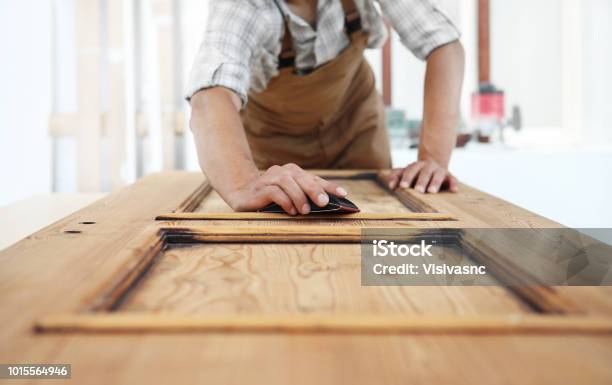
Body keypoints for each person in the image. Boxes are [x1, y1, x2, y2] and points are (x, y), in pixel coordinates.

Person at [186, 0, 464, 215]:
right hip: (273, 145)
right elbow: (211, 96)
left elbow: (443, 47)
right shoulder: (243, 6)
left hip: (356, 126)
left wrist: (433, 160)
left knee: (374, 234)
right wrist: (242, 183)